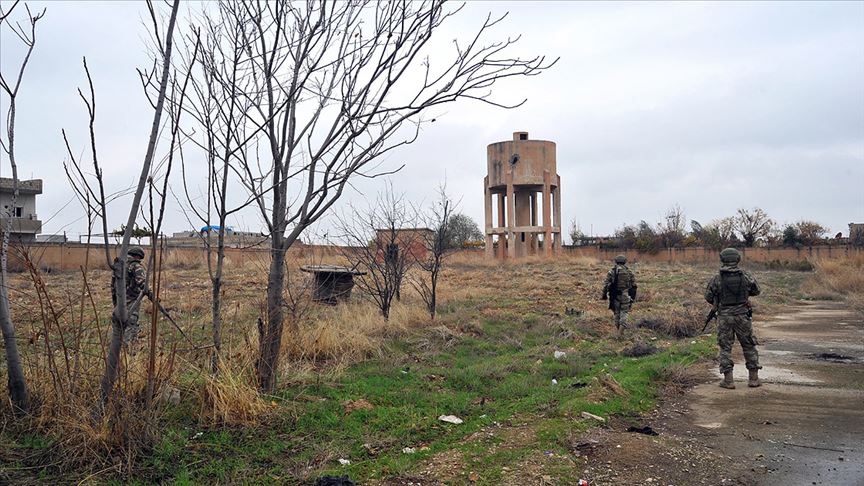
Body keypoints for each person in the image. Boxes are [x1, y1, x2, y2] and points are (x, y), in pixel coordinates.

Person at [705, 247, 762, 389]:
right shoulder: (746, 276)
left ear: (722, 259)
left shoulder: (717, 278)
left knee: (725, 347)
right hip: (743, 316)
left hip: (724, 317)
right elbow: (756, 290)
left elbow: (708, 297)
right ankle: (754, 379)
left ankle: (728, 381)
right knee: (749, 345)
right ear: (737, 259)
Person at [111, 246, 150, 344]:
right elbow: (142, 283)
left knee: (118, 328)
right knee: (131, 326)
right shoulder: (135, 266)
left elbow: (112, 286)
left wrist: (115, 302)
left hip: (118, 303)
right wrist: (151, 295)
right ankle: (129, 350)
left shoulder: (119, 266)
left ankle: (117, 350)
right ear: (138, 256)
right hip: (131, 302)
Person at [602, 254, 637, 336]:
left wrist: (604, 295)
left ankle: (619, 333)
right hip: (625, 295)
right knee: (624, 312)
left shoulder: (612, 272)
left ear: (616, 261)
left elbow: (606, 285)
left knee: (617, 313)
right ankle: (620, 332)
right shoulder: (629, 272)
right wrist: (632, 297)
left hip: (614, 296)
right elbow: (634, 286)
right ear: (625, 262)